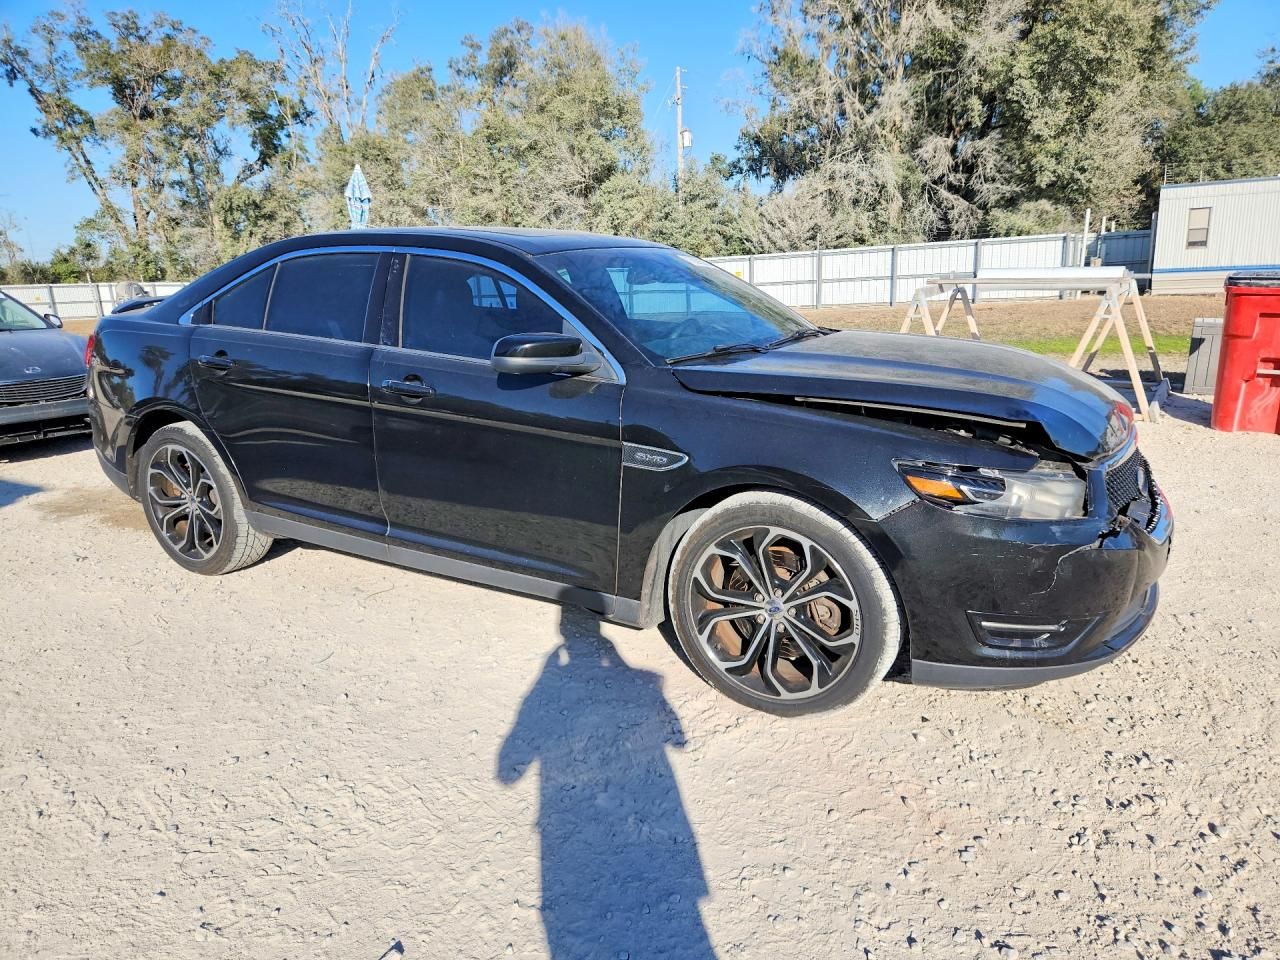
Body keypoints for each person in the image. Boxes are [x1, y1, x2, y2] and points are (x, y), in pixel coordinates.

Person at [498, 607, 716, 959]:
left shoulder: (553, 679)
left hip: (576, 841)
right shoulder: (629, 680)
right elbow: (679, 739)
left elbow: (507, 770)